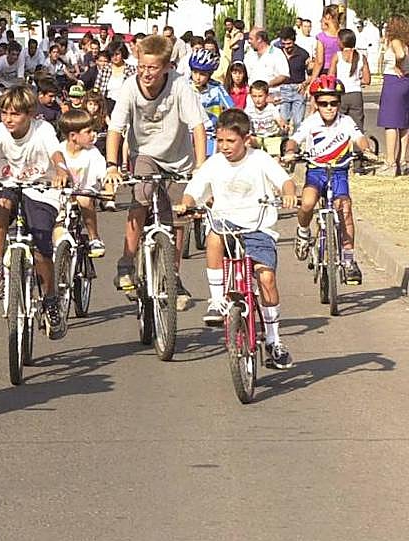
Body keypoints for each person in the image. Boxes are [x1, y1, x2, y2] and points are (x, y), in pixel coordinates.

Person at [179, 108, 296, 369]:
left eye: (230, 141)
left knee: (266, 279)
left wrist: (288, 193)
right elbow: (194, 189)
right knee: (214, 234)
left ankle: (274, 341)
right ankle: (217, 300)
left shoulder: (260, 159)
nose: (224, 146)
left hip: (258, 229)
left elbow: (285, 182)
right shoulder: (214, 163)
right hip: (227, 226)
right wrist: (186, 204)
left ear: (247, 139)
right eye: (220, 141)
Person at [102, 34, 207, 309]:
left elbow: (197, 126)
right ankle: (126, 261)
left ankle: (173, 275)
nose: (146, 73)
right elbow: (115, 129)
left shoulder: (180, 87)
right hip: (145, 154)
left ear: (167, 67)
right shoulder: (129, 87)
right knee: (142, 197)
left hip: (179, 158)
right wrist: (112, 166)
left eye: (152, 68)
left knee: (178, 215)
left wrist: (200, 166)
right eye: (142, 66)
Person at [0, 84, 68, 338]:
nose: (9, 119)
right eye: (4, 113)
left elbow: (56, 153)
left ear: (30, 114)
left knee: (42, 247)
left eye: (15, 114)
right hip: (9, 185)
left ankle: (50, 299)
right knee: (2, 205)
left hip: (41, 188)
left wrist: (62, 170)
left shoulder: (42, 129)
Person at [285, 75, 372, 285]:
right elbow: (294, 141)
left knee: (345, 210)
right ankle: (303, 232)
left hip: (339, 173)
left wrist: (367, 150)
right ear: (316, 103)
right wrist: (290, 152)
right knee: (307, 202)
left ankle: (350, 260)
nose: (329, 108)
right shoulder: (310, 122)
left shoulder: (347, 121)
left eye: (334, 103)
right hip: (316, 171)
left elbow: (360, 138)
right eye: (323, 103)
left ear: (340, 103)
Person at [56, 108, 107, 257]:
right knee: (56, 236)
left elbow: (104, 175)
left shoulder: (93, 153)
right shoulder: (58, 151)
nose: (93, 135)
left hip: (85, 194)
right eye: (88, 131)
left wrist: (109, 189)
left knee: (84, 199)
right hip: (61, 198)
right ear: (73, 136)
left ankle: (94, 237)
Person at [376, 14, 409, 175]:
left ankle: (390, 162)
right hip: (406, 82)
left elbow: (401, 55)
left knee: (390, 122)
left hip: (393, 81)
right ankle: (402, 160)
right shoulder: (407, 42)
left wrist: (397, 64)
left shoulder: (395, 41)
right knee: (404, 123)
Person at [188, 48, 233, 155]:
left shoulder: (217, 88)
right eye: (195, 72)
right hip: (188, 135)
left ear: (210, 74)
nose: (197, 77)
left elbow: (231, 108)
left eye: (202, 74)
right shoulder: (185, 87)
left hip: (210, 135)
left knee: (209, 165)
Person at [329, 28, 370, 133]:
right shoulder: (362, 57)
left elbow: (331, 77)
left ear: (342, 42)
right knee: (357, 125)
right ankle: (357, 148)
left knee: (337, 123)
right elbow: (367, 80)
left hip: (341, 93)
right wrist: (357, 81)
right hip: (356, 94)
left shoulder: (337, 56)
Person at [276, 25, 311, 132]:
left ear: (294, 41)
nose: (287, 46)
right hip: (282, 89)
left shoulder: (303, 54)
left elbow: (311, 74)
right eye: (284, 44)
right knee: (282, 122)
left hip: (298, 89)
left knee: (298, 122)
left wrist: (305, 85)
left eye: (289, 44)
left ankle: (296, 145)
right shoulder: (277, 53)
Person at [244, 80, 286, 156]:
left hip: (271, 137)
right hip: (256, 138)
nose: (257, 100)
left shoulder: (271, 108)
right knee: (247, 143)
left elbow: (279, 119)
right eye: (254, 96)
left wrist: (283, 125)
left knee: (275, 159)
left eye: (260, 96)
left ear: (266, 96)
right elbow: (245, 124)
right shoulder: (249, 110)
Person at [308, 4, 344, 87]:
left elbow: (319, 61)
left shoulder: (322, 37)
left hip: (325, 72)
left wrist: (312, 82)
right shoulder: (343, 35)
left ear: (328, 16)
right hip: (340, 72)